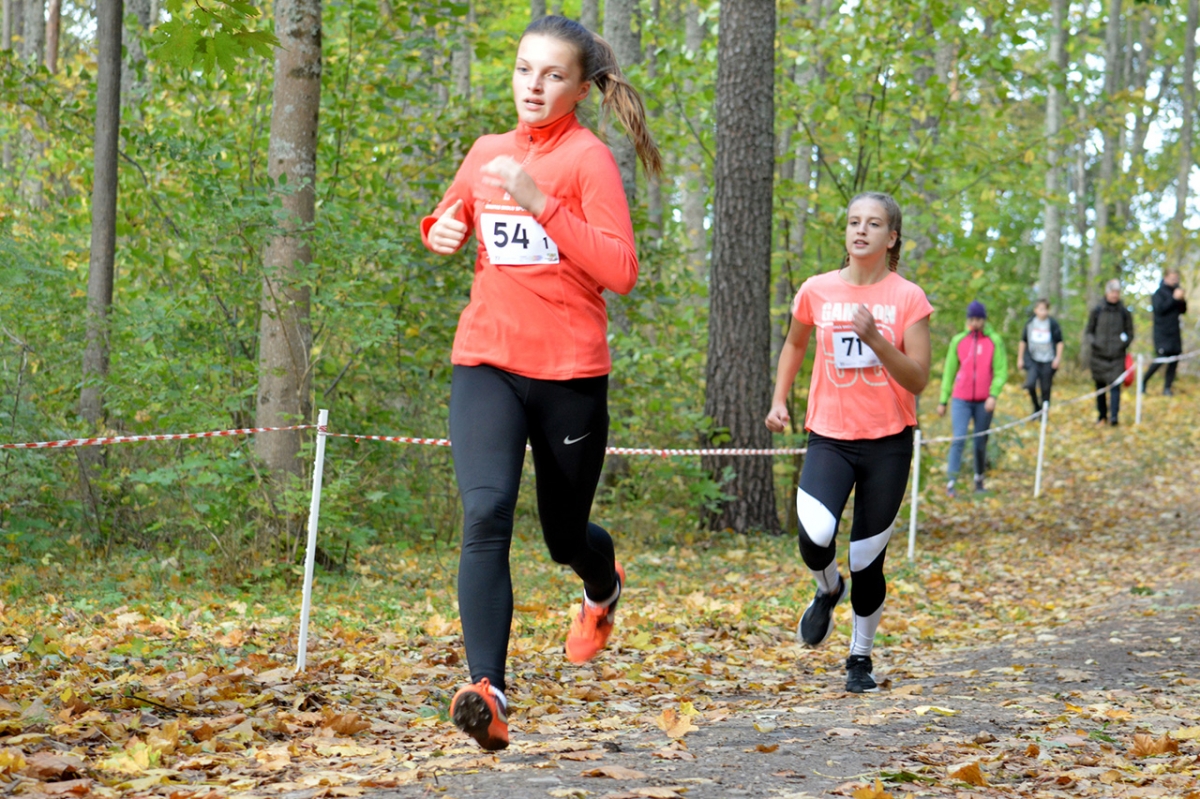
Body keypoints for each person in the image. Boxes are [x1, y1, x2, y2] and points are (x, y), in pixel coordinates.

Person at [420, 15, 662, 751]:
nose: (534, 85)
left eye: (553, 75)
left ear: (581, 89)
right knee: (486, 512)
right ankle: (488, 690)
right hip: (486, 360)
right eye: (525, 69)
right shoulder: (486, 151)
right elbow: (449, 217)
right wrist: (438, 230)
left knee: (563, 536)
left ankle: (602, 585)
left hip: (569, 376)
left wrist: (541, 202)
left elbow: (621, 270)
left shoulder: (589, 160)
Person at [765, 192, 932, 694]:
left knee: (866, 560)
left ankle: (860, 657)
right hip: (829, 436)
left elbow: (919, 378)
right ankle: (827, 588)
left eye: (874, 224)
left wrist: (877, 339)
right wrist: (779, 400)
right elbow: (795, 342)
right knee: (814, 535)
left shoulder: (908, 297)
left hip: (888, 442)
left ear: (891, 238)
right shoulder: (816, 289)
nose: (861, 230)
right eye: (854, 222)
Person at [937, 301, 1007, 496]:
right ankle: (951, 482)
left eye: (978, 319)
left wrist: (993, 394)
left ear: (984, 320)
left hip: (984, 401)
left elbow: (1001, 370)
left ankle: (979, 479)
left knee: (979, 441)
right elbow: (949, 371)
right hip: (961, 399)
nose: (975, 323)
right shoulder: (958, 341)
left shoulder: (994, 341)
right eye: (972, 319)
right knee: (959, 438)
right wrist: (943, 399)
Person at [1086, 279, 1134, 426]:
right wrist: (1095, 343)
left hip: (1117, 356)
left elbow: (1130, 332)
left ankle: (1114, 416)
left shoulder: (1124, 312)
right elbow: (1089, 331)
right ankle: (1102, 416)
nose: (1115, 295)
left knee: (1115, 387)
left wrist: (1123, 344)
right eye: (1112, 292)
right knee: (1100, 388)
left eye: (1117, 292)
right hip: (1098, 356)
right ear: (1107, 293)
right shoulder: (1097, 310)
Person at [1142, 268, 1187, 396]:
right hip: (1162, 333)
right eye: (1173, 278)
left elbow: (1183, 310)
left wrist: (1181, 299)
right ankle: (1143, 382)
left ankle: (1167, 388)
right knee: (1160, 359)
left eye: (1176, 279)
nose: (1175, 281)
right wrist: (1174, 298)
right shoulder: (1158, 293)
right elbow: (1160, 310)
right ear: (1166, 278)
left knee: (1174, 360)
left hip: (1175, 333)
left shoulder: (1176, 291)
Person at [1016, 299, 1063, 414]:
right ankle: (1036, 408)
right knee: (1030, 384)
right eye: (1041, 309)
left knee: (1045, 388)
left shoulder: (1052, 323)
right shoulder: (1030, 323)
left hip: (1048, 360)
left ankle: (1044, 413)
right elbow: (1023, 341)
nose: (1043, 312)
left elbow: (1059, 342)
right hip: (1033, 359)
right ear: (1035, 310)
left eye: (1045, 309)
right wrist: (1020, 358)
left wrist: (1057, 358)